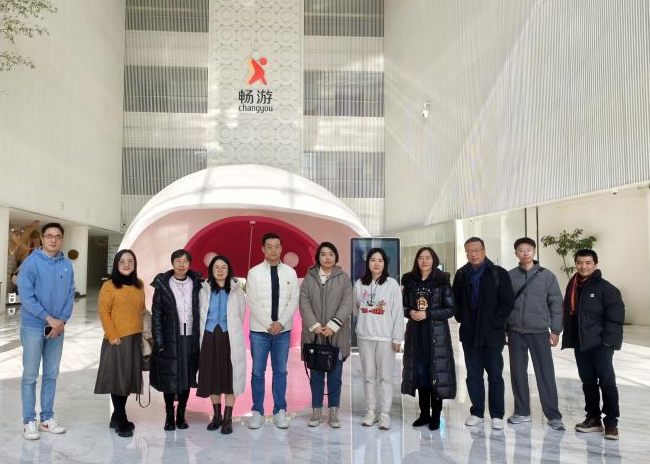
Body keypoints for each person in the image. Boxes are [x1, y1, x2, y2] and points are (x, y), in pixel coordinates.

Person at [18, 222, 74, 440]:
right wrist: (49, 319)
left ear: (62, 239)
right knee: (30, 375)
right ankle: (28, 421)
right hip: (33, 326)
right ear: (42, 239)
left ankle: (47, 419)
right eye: (49, 236)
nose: (53, 240)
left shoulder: (66, 265)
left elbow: (70, 294)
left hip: (57, 328)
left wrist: (61, 321)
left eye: (57, 236)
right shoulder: (30, 263)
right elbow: (26, 296)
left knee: (51, 374)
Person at [561, 249, 624, 440]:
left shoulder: (606, 288)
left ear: (595, 264)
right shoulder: (573, 284)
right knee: (588, 382)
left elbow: (616, 318)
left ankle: (611, 423)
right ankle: (593, 419)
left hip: (600, 343)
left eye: (588, 263)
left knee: (607, 382)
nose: (583, 266)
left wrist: (608, 342)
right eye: (580, 262)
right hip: (581, 342)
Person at [452, 237, 514, 430]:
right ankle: (477, 412)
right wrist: (462, 317)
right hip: (470, 333)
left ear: (484, 250)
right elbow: (455, 300)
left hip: (492, 334)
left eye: (476, 250)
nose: (473, 254)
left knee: (495, 375)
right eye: (469, 251)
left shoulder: (498, 273)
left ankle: (497, 415)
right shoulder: (461, 274)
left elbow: (507, 303)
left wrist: (495, 323)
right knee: (473, 375)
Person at [506, 237, 565, 430]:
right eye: (521, 250)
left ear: (534, 252)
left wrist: (555, 330)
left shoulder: (547, 276)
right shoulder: (509, 276)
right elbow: (504, 305)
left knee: (545, 373)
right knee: (518, 373)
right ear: (516, 253)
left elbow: (556, 305)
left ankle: (553, 415)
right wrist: (505, 328)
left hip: (539, 331)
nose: (525, 253)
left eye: (528, 250)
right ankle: (522, 412)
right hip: (516, 331)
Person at [246, 233, 299, 429]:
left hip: (283, 332)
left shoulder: (290, 273)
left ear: (281, 248)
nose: (273, 250)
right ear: (263, 249)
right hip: (259, 331)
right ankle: (257, 412)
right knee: (257, 372)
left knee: (280, 372)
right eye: (269, 246)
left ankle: (280, 411)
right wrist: (270, 324)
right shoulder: (254, 273)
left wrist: (281, 323)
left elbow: (294, 299)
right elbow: (252, 301)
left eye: (277, 246)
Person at [401, 247, 456, 431]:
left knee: (435, 375)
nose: (424, 261)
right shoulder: (410, 281)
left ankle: (436, 416)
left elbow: (450, 309)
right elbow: (403, 306)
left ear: (434, 260)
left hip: (436, 335)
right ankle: (424, 414)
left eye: (428, 258)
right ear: (416, 261)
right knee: (421, 374)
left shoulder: (442, 282)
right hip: (416, 334)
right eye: (421, 258)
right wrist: (410, 312)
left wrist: (428, 314)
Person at [299, 242, 353, 428]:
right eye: (323, 254)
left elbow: (347, 303)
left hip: (336, 336)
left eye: (331, 254)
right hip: (315, 336)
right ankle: (316, 411)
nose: (327, 257)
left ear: (336, 257)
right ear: (318, 257)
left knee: (335, 375)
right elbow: (304, 302)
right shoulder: (309, 278)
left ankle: (334, 411)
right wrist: (315, 326)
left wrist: (332, 325)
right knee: (316, 375)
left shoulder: (343, 278)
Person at [94, 249, 145, 438]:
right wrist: (112, 335)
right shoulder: (109, 286)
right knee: (118, 380)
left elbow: (142, 310)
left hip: (135, 338)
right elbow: (104, 312)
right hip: (117, 340)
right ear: (116, 264)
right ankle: (121, 420)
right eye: (122, 261)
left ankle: (116, 416)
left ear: (134, 264)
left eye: (130, 261)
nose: (126, 264)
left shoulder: (139, 285)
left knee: (128, 379)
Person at [150, 249, 202, 431]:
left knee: (187, 376)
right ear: (172, 263)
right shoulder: (163, 285)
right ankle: (169, 415)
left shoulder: (197, 283)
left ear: (189, 264)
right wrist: (159, 341)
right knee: (170, 376)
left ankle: (181, 414)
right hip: (171, 337)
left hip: (191, 338)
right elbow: (156, 315)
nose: (181, 265)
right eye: (178, 261)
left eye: (185, 261)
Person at [354, 247, 403, 430]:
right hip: (365, 336)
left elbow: (397, 312)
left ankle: (384, 414)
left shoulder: (392, 284)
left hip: (385, 338)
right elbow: (356, 306)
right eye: (373, 260)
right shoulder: (360, 283)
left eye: (380, 261)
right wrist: (365, 321)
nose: (376, 264)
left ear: (385, 264)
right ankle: (371, 412)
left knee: (385, 377)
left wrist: (397, 338)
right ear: (368, 263)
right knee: (368, 376)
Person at [197, 255, 246, 435]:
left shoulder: (236, 290)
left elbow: (241, 314)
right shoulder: (204, 289)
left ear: (228, 270)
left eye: (223, 267)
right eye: (216, 267)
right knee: (212, 376)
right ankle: (216, 416)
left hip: (229, 337)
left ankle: (228, 418)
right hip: (208, 337)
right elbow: (199, 311)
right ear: (211, 270)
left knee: (230, 376)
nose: (220, 270)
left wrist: (231, 329)